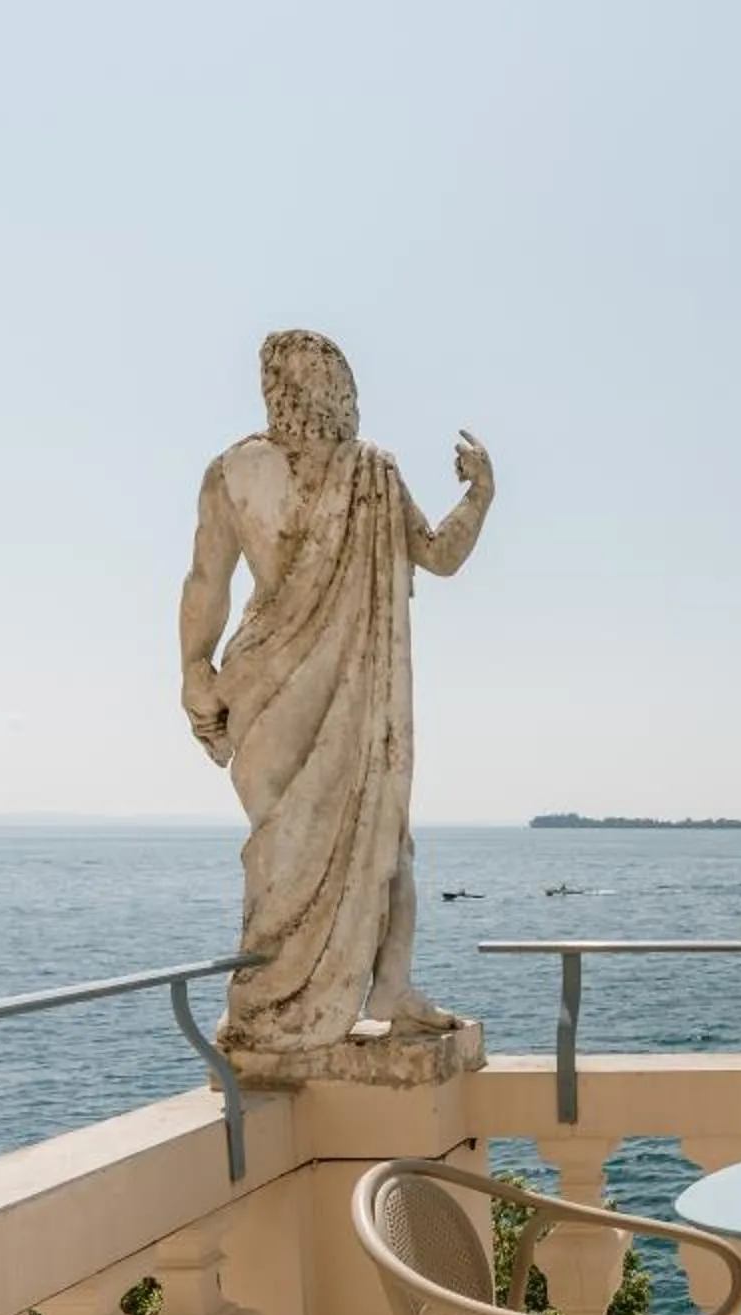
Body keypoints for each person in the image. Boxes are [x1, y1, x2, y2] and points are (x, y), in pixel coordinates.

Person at [176, 330, 493, 1051]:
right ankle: (384, 989)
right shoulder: (370, 471)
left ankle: (276, 1007)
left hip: (258, 680)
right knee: (382, 840)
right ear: (339, 390)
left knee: (283, 854)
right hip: (313, 685)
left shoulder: (233, 471)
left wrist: (194, 667)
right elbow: (439, 555)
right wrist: (481, 493)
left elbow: (206, 584)